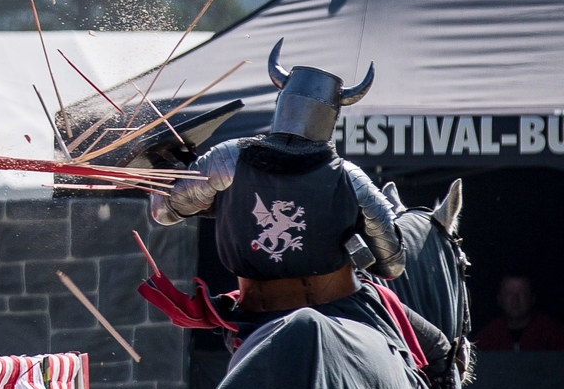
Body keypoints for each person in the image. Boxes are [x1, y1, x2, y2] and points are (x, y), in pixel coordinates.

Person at [144, 37, 408, 348]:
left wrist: (169, 168)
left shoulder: (227, 159)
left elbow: (163, 212)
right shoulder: (351, 180)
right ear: (332, 116)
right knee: (431, 352)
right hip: (339, 312)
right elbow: (392, 266)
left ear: (282, 101)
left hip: (254, 319)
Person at [475, 274, 564, 351]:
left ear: (532, 298)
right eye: (509, 294)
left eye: (522, 293)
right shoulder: (488, 336)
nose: (515, 300)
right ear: (499, 299)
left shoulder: (551, 334)